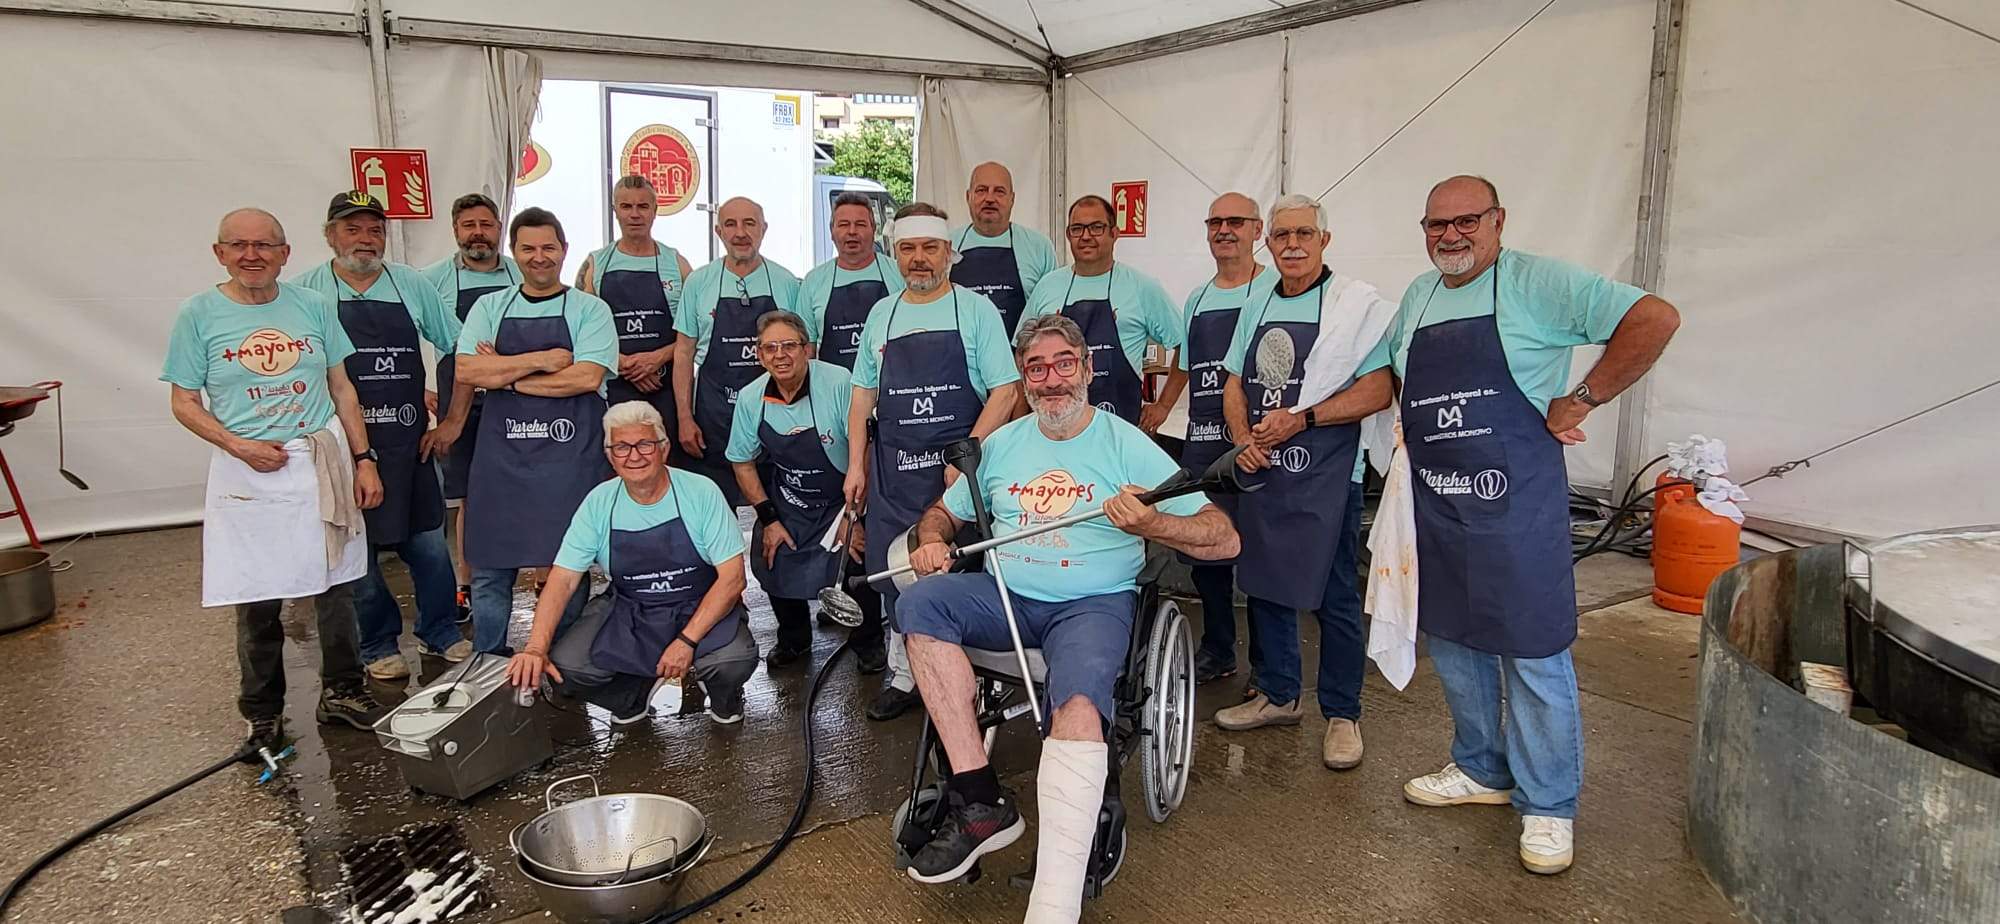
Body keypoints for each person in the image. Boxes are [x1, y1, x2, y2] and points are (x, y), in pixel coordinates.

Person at [1364, 175, 1680, 874]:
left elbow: (1655, 317)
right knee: (1454, 641)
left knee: (1532, 649)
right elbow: (1389, 375)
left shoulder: (1537, 282)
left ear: (1498, 220)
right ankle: (1482, 768)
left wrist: (1583, 397)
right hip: (1437, 503)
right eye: (1436, 223)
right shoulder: (1419, 297)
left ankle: (1549, 803)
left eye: (1466, 221)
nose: (1450, 235)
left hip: (1515, 506)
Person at [896, 314, 1240, 922]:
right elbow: (942, 515)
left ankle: (1053, 901)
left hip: (1091, 603)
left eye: (1063, 364)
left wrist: (1153, 523)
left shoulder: (1125, 444)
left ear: (1086, 368)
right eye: (1037, 368)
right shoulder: (1001, 444)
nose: (1052, 379)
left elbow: (1223, 537)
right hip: (1007, 594)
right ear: (1023, 378)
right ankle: (980, 801)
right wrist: (930, 539)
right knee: (918, 604)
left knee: (1078, 710)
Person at [162, 207, 390, 756]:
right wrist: (237, 445)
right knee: (257, 596)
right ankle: (262, 715)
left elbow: (342, 388)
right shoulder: (199, 314)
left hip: (318, 462)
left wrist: (364, 458)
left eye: (264, 245)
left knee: (336, 586)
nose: (252, 255)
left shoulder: (312, 305)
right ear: (220, 253)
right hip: (248, 470)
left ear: (285, 254)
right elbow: (184, 401)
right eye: (239, 245)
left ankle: (342, 690)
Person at [1211, 195, 1397, 778]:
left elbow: (1378, 390)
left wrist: (1303, 419)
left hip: (1328, 472)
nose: (1292, 245)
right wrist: (1244, 441)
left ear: (1324, 240)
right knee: (1265, 584)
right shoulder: (1258, 301)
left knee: (1334, 595)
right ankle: (1279, 693)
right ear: (1267, 242)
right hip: (1265, 465)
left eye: (1304, 234)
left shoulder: (1354, 306)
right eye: (1282, 235)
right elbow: (1234, 382)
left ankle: (1342, 714)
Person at [845, 202, 1022, 721]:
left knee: (957, 569)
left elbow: (1006, 390)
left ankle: (967, 669)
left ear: (949, 253)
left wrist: (968, 451)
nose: (918, 259)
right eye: (908, 249)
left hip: (957, 472)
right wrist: (855, 465)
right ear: (895, 253)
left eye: (929, 248)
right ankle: (906, 675)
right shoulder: (883, 314)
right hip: (895, 470)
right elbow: (862, 395)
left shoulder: (975, 311)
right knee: (893, 572)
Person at [294, 191, 472, 680]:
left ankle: (440, 631)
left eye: (375, 230)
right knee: (361, 555)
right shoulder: (305, 293)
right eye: (352, 229)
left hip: (409, 445)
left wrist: (452, 419)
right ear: (330, 235)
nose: (366, 239)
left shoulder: (411, 284)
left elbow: (461, 348)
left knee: (430, 547)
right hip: (344, 451)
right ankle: (377, 645)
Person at [505, 401, 758, 725]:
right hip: (634, 606)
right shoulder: (599, 503)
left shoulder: (700, 492)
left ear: (664, 448)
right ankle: (631, 696)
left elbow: (732, 579)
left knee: (732, 662)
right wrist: (535, 648)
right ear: (610, 455)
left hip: (699, 602)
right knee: (568, 667)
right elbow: (563, 579)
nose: (634, 456)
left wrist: (686, 642)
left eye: (644, 444)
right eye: (622, 447)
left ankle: (724, 697)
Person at [454, 207, 619, 654]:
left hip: (568, 462)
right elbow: (468, 370)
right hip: (501, 461)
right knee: (490, 567)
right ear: (514, 252)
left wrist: (504, 375)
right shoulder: (491, 306)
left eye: (548, 247)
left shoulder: (591, 310)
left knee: (569, 563)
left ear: (564, 250)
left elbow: (585, 378)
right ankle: (488, 656)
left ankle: (560, 656)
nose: (539, 257)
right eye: (528, 248)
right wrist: (541, 360)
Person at [1154, 193, 1277, 686]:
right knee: (1206, 552)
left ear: (1257, 230)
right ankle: (1219, 647)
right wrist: (1162, 407)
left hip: (1257, 440)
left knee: (1260, 555)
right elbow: (1185, 364)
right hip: (1204, 439)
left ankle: (1267, 664)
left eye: (1236, 222)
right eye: (1216, 222)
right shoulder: (1198, 298)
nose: (1224, 230)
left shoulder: (1272, 289)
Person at [725, 310, 885, 672]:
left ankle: (868, 642)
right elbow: (741, 461)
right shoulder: (751, 398)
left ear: (806, 349)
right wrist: (768, 519)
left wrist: (854, 516)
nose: (780, 355)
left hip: (843, 497)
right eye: (770, 348)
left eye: (789, 346)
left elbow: (865, 451)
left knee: (857, 558)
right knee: (773, 556)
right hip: (790, 500)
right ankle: (794, 639)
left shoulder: (838, 382)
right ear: (759, 355)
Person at [421, 193, 522, 622]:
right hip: (459, 401)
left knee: (530, 491)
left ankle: (540, 577)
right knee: (469, 498)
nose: (478, 233)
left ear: (499, 228)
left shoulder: (522, 273)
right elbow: (407, 336)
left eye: (486, 224)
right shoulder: (431, 281)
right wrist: (423, 391)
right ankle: (466, 586)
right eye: (469, 225)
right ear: (455, 231)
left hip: (519, 398)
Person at [672, 196, 802, 507]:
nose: (740, 233)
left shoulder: (786, 282)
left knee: (772, 510)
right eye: (730, 224)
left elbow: (804, 354)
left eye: (749, 224)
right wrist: (684, 418)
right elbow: (683, 353)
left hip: (774, 416)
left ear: (764, 229)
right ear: (718, 232)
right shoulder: (699, 282)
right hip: (713, 417)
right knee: (714, 507)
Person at [1019, 195, 1183, 425]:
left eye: (1096, 227)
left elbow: (1185, 345)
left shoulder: (1141, 287)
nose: (1086, 236)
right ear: (1068, 235)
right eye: (1077, 229)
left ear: (1114, 233)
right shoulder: (1047, 286)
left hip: (1121, 426)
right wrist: (1023, 416)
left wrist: (1163, 406)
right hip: (1054, 428)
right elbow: (1021, 351)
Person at [577, 175, 694, 452]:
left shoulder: (676, 264)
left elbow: (694, 332)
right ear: (615, 210)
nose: (635, 214)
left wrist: (657, 358)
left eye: (642, 206)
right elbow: (580, 330)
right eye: (626, 206)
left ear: (655, 210)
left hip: (666, 388)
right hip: (612, 387)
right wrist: (625, 364)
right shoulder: (596, 264)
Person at [800, 192, 904, 370]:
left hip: (890, 381)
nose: (852, 231)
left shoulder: (898, 273)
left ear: (874, 230)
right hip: (833, 385)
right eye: (843, 224)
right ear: (832, 232)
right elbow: (806, 350)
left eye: (860, 224)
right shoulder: (813, 281)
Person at [952, 162, 1057, 335]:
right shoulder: (946, 246)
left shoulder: (1039, 247)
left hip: (1019, 351)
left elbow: (1050, 314)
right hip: (959, 351)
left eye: (999, 191)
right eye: (981, 190)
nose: (990, 198)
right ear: (968, 196)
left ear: (1012, 199)